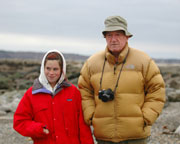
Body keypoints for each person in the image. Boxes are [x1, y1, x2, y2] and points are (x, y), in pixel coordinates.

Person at [78, 16, 165, 144]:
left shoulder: (143, 60)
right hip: (104, 135)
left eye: (118, 34)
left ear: (127, 36)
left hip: (136, 136)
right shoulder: (92, 63)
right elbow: (83, 90)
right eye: (109, 35)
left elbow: (157, 89)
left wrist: (146, 117)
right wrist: (91, 116)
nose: (113, 39)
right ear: (105, 38)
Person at [13, 49, 94, 144]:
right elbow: (19, 122)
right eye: (48, 68)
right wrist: (39, 129)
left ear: (62, 70)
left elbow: (83, 127)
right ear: (43, 69)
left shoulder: (73, 92)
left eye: (55, 69)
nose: (51, 73)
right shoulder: (31, 94)